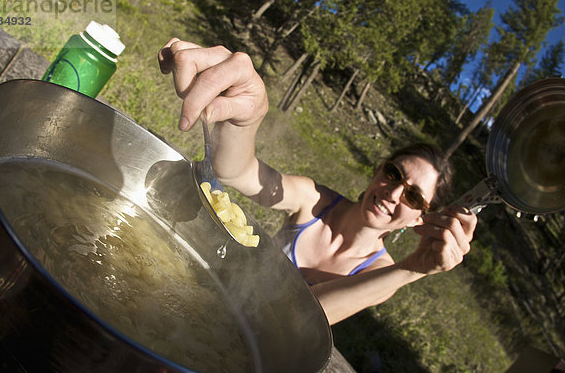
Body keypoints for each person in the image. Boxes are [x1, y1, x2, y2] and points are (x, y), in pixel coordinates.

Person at [158, 38, 477, 325]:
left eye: (414, 197)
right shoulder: (315, 201)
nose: (393, 192)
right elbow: (237, 173)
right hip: (213, 304)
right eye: (393, 174)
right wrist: (244, 120)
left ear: (421, 217)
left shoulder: (382, 274)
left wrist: (414, 268)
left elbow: (301, 320)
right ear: (379, 170)